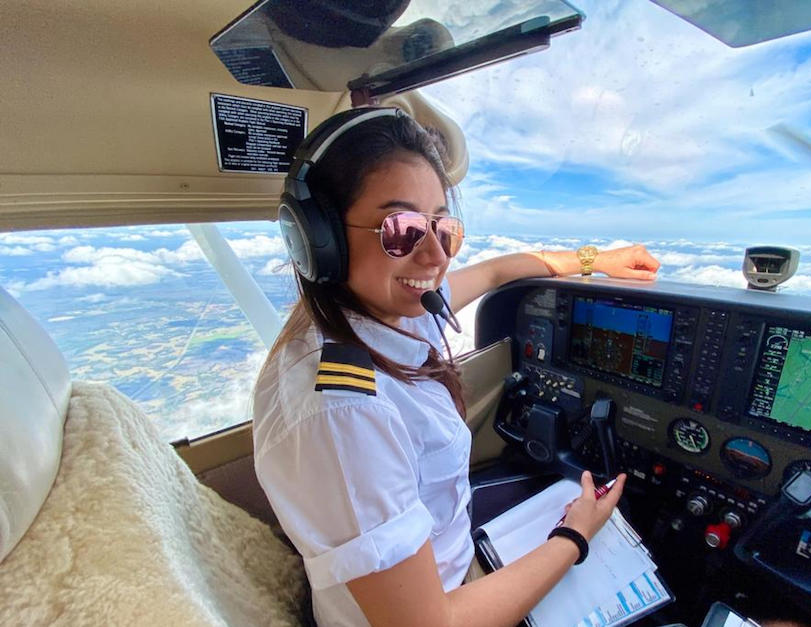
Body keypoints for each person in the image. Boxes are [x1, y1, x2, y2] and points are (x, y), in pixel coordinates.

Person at [252, 106, 661, 627]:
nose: (434, 257)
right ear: (320, 240)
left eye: (443, 227)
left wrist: (594, 260)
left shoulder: (374, 309)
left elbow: (493, 272)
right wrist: (574, 535)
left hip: (441, 559)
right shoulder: (344, 412)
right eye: (399, 229)